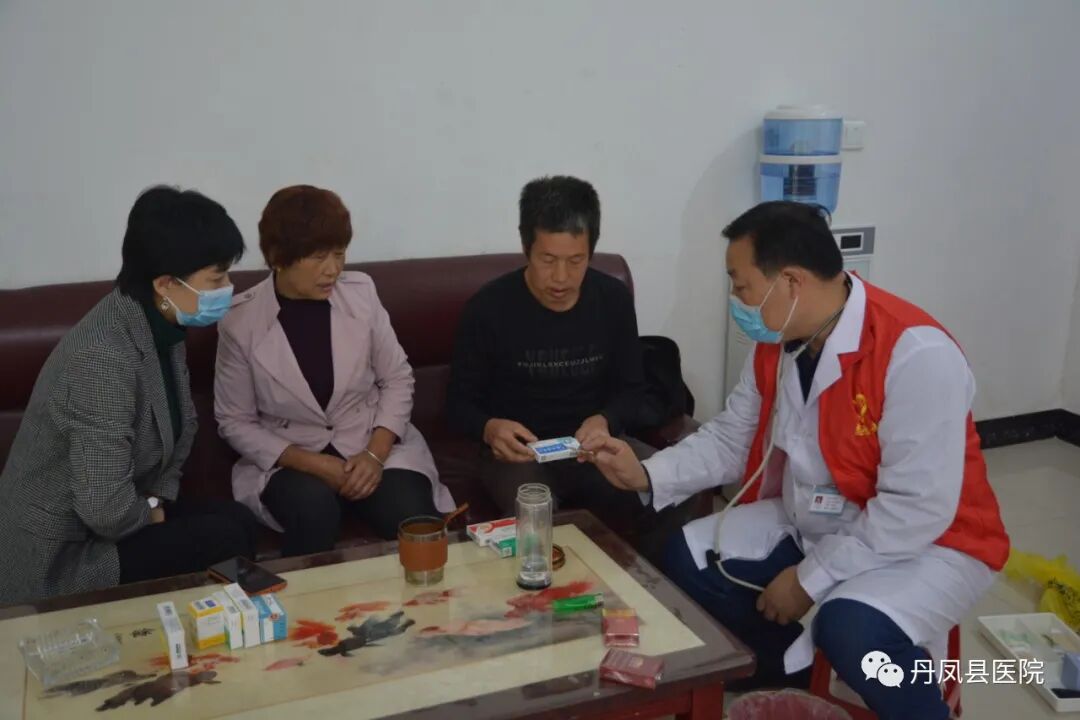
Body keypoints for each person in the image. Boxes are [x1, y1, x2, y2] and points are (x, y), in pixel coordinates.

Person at [581, 201, 1009, 720]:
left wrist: (808, 580)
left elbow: (916, 509)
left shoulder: (916, 354)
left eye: (741, 286)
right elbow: (734, 438)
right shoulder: (781, 340)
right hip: (819, 516)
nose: (736, 300)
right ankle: (790, 673)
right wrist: (647, 473)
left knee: (853, 632)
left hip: (929, 543)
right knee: (687, 559)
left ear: (790, 281)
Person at [0, 186, 258, 606]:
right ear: (166, 283)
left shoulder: (160, 320)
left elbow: (182, 429)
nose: (228, 287)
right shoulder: (102, 358)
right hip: (64, 556)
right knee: (223, 537)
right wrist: (154, 513)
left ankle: (234, 627)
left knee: (240, 521)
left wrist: (158, 502)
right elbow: (102, 508)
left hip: (119, 514)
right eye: (217, 278)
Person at [447, 175, 687, 565]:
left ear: (591, 251)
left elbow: (633, 389)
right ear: (526, 248)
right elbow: (458, 404)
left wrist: (606, 419)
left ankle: (646, 589)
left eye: (576, 261)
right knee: (534, 513)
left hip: (592, 448)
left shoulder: (612, 300)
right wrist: (490, 428)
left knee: (669, 487)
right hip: (518, 457)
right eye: (548, 260)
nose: (561, 278)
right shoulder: (488, 309)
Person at [215, 185, 454, 557]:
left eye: (339, 253)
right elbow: (235, 421)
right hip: (293, 460)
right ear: (278, 257)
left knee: (411, 517)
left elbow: (396, 377)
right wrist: (314, 464)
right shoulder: (240, 321)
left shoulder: (361, 293)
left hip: (369, 444)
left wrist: (375, 454)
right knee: (313, 511)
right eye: (318, 257)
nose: (333, 269)